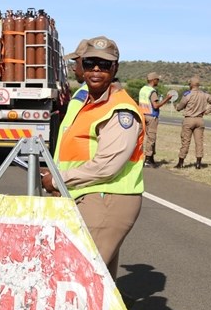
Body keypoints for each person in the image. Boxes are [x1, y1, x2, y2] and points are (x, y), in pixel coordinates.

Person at [41, 36, 145, 281]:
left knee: (77, 281)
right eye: (89, 63)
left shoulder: (120, 110)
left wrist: (58, 180)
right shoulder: (91, 102)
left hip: (105, 199)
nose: (96, 70)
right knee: (97, 285)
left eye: (104, 64)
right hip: (89, 195)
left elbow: (107, 166)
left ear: (115, 68)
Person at [174, 76, 211, 169]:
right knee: (199, 142)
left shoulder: (188, 94)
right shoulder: (205, 94)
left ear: (191, 85)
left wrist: (177, 107)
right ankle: (198, 164)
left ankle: (180, 163)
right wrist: (207, 111)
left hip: (189, 119)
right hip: (200, 120)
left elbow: (180, 107)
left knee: (185, 141)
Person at [138, 72, 173, 167]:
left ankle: (147, 157)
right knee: (151, 138)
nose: (158, 81)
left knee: (141, 137)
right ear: (154, 80)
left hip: (142, 115)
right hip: (151, 116)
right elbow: (156, 105)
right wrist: (167, 98)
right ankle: (148, 160)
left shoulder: (143, 89)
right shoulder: (152, 91)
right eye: (157, 79)